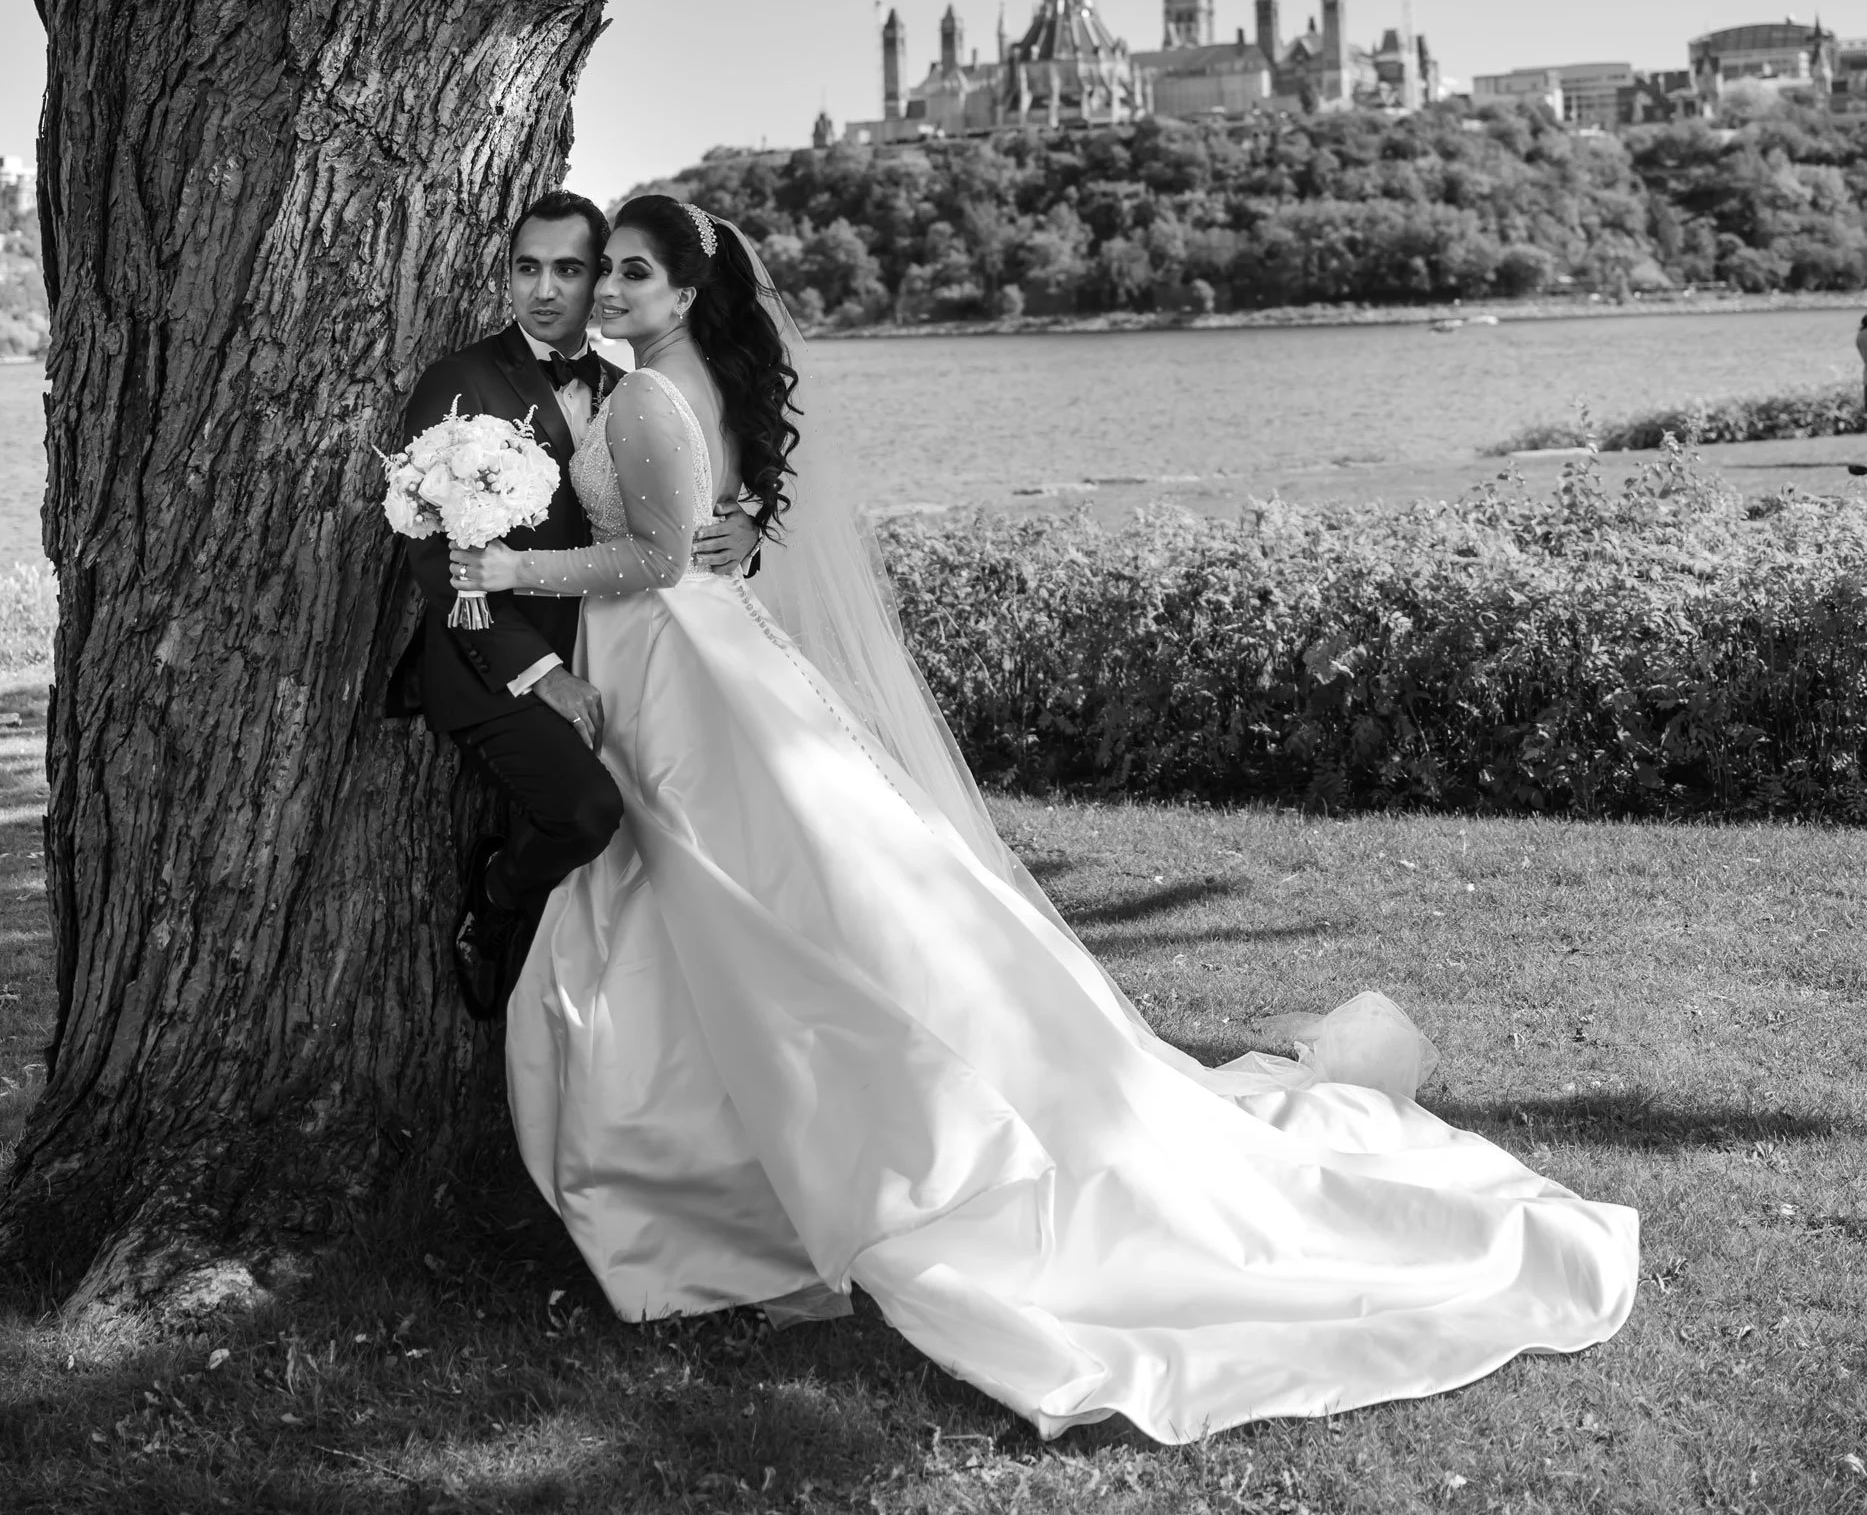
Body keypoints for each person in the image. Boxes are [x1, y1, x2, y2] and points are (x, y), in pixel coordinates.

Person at [449, 195, 1639, 1441]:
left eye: (633, 273)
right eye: (605, 273)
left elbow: (657, 563)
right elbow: (715, 529)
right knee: (759, 886)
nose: (611, 291)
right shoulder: (684, 379)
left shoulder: (646, 393)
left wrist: (510, 569)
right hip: (706, 654)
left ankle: (727, 1183)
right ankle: (737, 1168)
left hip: (672, 655)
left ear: (688, 291)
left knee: (724, 888)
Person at [386, 187, 757, 1016]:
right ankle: (498, 899)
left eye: (568, 269)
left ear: (598, 280)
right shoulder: (461, 379)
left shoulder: (628, 381)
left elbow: (679, 499)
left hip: (618, 652)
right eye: (526, 269)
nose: (544, 290)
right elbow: (433, 556)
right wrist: (543, 673)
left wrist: (747, 529)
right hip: (495, 656)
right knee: (586, 814)